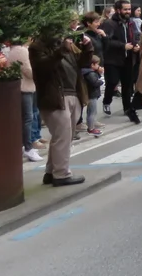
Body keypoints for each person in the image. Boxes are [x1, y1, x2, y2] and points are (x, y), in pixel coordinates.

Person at [30, 31, 94, 186]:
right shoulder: (37, 47)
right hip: (55, 97)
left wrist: (87, 48)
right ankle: (61, 174)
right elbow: (44, 68)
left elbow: (82, 63)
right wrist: (61, 50)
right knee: (62, 137)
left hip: (72, 94)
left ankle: (51, 172)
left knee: (64, 137)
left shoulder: (64, 45)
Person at [100, 0, 140, 122]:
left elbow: (134, 37)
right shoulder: (109, 24)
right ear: (118, 10)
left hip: (128, 58)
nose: (128, 11)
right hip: (112, 59)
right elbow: (107, 41)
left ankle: (127, 108)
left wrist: (136, 45)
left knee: (127, 84)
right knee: (112, 82)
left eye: (129, 9)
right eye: (125, 9)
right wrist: (123, 46)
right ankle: (107, 101)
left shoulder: (131, 23)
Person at [5, 39, 41, 161]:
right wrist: (39, 73)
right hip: (25, 87)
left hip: (22, 87)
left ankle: (23, 146)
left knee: (25, 118)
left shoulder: (13, 50)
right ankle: (28, 148)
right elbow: (28, 71)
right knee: (28, 118)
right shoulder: (22, 50)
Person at [81, 55, 104, 138]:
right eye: (97, 64)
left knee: (91, 112)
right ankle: (91, 128)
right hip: (92, 95)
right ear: (92, 65)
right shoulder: (90, 73)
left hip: (90, 94)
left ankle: (91, 126)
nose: (98, 66)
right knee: (92, 112)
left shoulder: (87, 72)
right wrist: (101, 81)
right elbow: (95, 82)